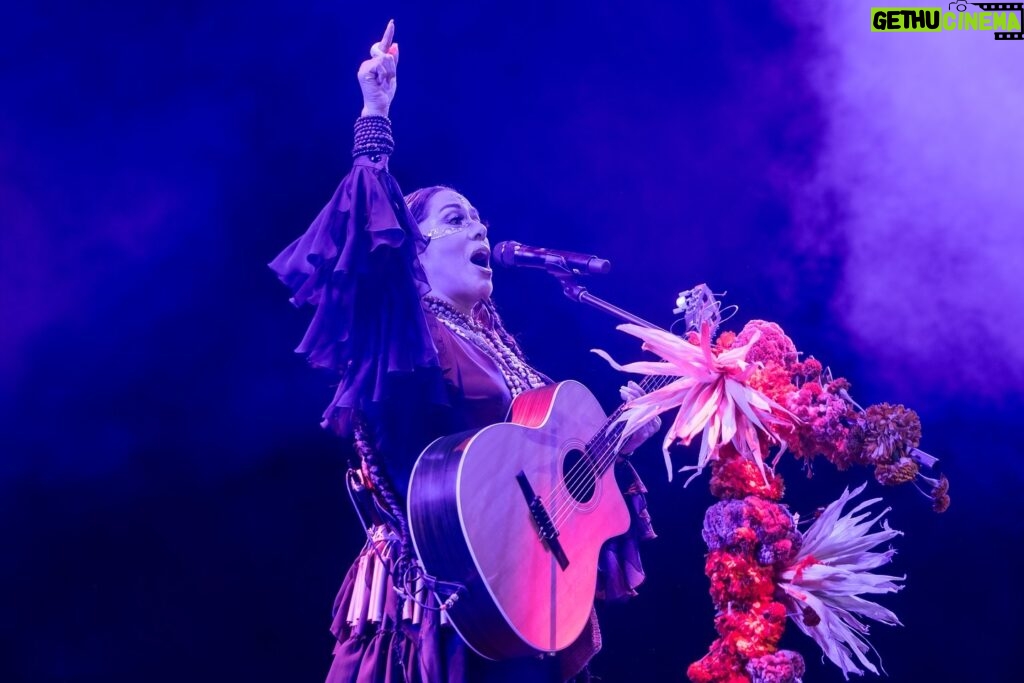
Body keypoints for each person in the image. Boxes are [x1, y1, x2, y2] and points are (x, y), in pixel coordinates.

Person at [271, 21, 660, 683]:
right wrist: (375, 116)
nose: (479, 227)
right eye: (455, 219)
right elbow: (365, 251)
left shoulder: (505, 353)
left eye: (480, 218)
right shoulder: (404, 336)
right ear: (414, 252)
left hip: (524, 594)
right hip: (440, 599)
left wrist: (619, 436)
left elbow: (548, 485)